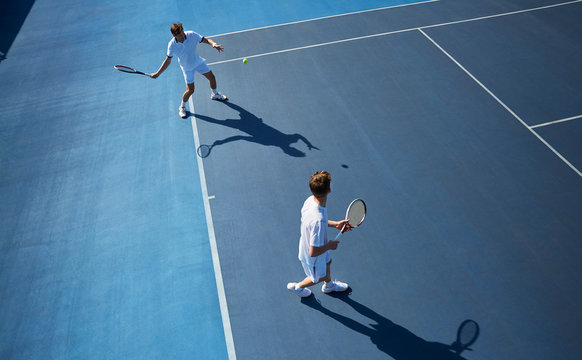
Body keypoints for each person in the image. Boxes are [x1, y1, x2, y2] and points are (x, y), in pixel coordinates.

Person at [287, 171, 351, 297]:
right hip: (313, 256)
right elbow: (313, 252)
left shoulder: (310, 201)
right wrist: (329, 246)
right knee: (319, 277)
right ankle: (298, 287)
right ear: (329, 190)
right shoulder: (319, 220)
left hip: (317, 246)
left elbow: (315, 223)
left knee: (328, 261)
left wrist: (335, 224)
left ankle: (329, 286)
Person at [151, 23, 227, 119]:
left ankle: (215, 94)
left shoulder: (191, 34)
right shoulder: (171, 45)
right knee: (190, 90)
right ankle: (182, 106)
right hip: (187, 68)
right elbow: (168, 60)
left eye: (183, 33)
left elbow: (205, 40)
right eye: (180, 35)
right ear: (174, 35)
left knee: (212, 77)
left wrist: (213, 44)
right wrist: (158, 73)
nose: (183, 36)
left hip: (198, 62)